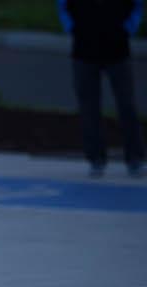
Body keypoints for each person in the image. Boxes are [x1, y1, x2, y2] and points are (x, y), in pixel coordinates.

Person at [58, 0, 145, 178]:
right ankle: (96, 158)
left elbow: (137, 4)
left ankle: (134, 157)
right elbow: (63, 5)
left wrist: (128, 28)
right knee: (89, 107)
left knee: (126, 105)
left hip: (117, 49)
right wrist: (72, 27)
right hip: (84, 49)